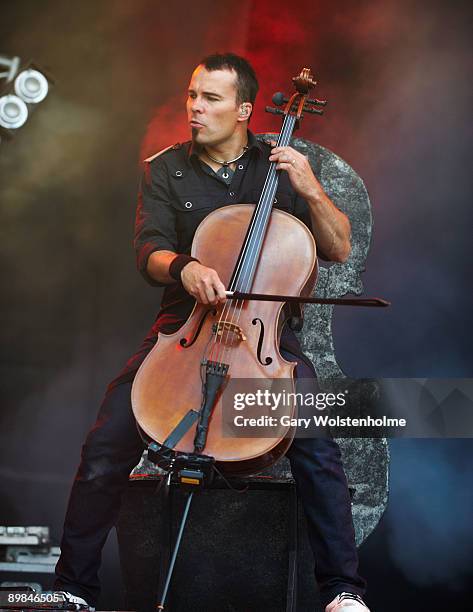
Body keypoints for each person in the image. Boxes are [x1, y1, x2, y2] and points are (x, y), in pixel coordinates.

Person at [54, 52, 370, 612]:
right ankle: (73, 588)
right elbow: (147, 250)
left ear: (245, 109)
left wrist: (311, 186)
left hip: (265, 338)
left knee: (318, 449)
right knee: (106, 445)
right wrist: (186, 267)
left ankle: (342, 591)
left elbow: (338, 247)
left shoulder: (280, 166)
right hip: (185, 327)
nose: (195, 108)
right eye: (192, 96)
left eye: (211, 99)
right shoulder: (164, 168)